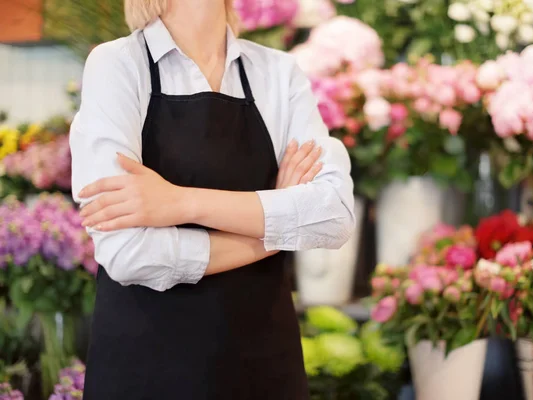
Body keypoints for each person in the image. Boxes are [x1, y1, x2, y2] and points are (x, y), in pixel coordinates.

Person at [69, 0, 355, 398]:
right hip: (148, 372)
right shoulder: (117, 64)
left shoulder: (278, 73)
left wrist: (179, 203)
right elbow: (128, 250)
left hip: (265, 369)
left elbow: (332, 215)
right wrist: (274, 230)